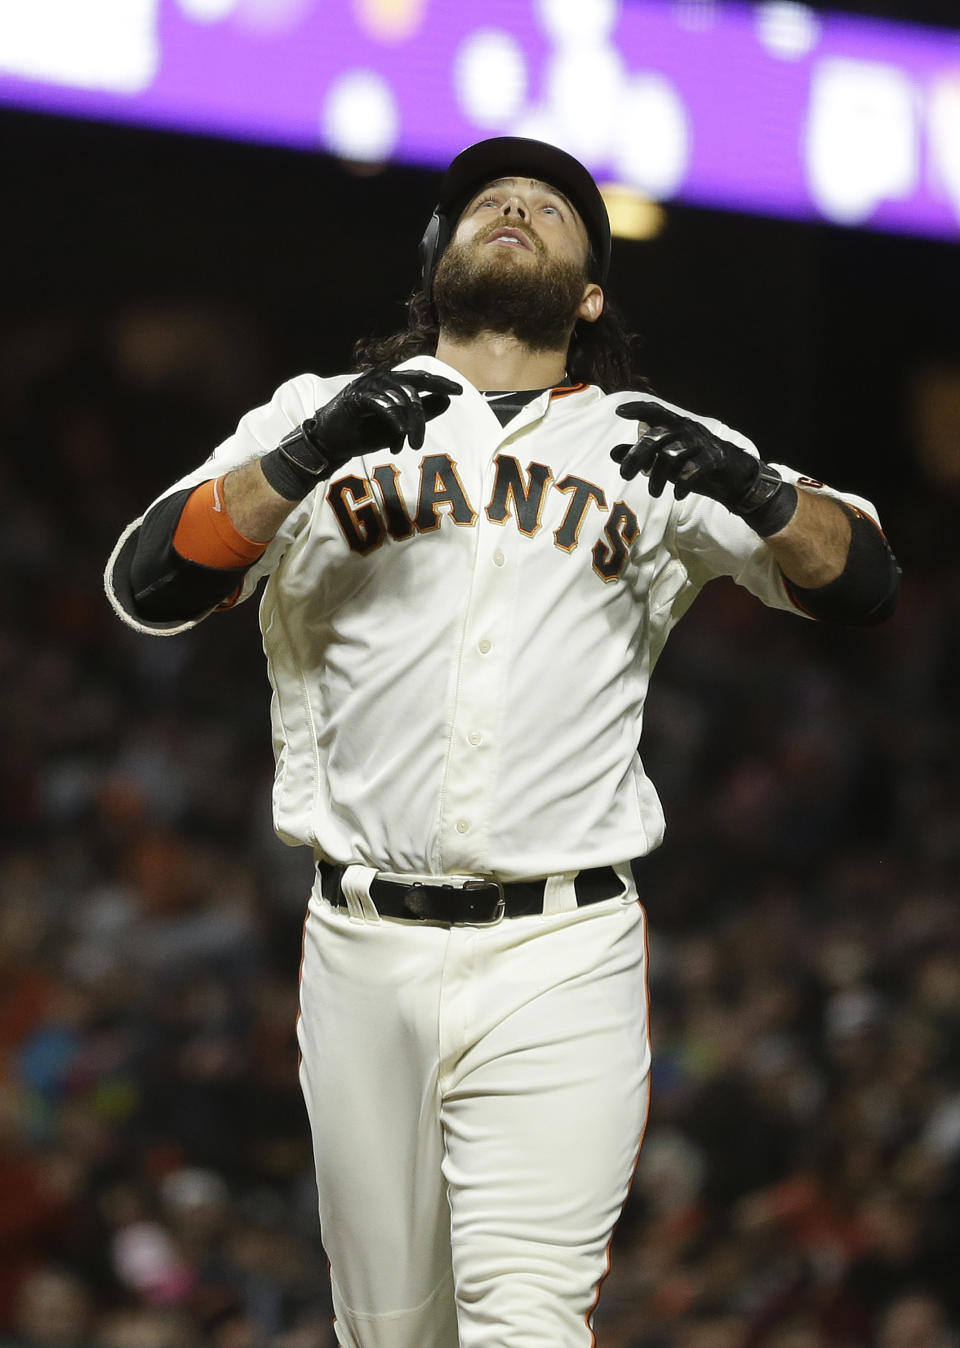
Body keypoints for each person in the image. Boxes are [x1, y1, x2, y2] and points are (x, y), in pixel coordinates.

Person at [105, 137, 900, 1348]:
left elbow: (867, 582)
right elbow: (148, 581)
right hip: (359, 945)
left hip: (562, 948)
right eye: (491, 198)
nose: (518, 205)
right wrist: (303, 458)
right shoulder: (317, 418)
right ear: (439, 259)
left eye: (553, 207)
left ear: (590, 295)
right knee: (393, 1332)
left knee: (526, 1321)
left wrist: (760, 494)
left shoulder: (651, 439)